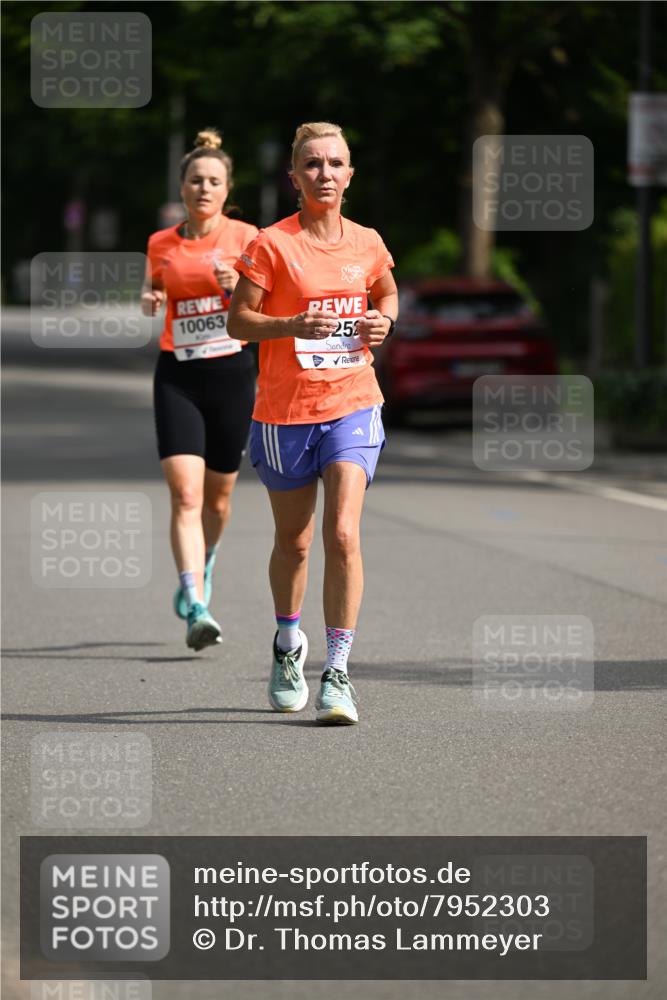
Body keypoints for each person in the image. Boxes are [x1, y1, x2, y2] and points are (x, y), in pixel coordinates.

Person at [227, 121, 398, 724]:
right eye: (313, 165)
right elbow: (238, 322)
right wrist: (290, 326)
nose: (325, 174)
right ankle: (286, 645)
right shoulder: (272, 245)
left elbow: (386, 294)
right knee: (295, 543)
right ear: (294, 177)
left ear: (350, 175)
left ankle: (339, 674)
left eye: (335, 163)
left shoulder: (368, 242)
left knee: (343, 535)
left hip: (353, 401)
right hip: (284, 413)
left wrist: (384, 322)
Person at [141, 128, 257, 651]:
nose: (204, 188)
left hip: (232, 374)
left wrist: (238, 290)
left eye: (214, 181)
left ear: (226, 190)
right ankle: (196, 602)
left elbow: (269, 307)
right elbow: (158, 286)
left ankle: (204, 560)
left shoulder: (246, 238)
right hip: (179, 375)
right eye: (195, 179)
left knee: (219, 497)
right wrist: (150, 295)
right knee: (185, 494)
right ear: (182, 187)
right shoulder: (161, 243)